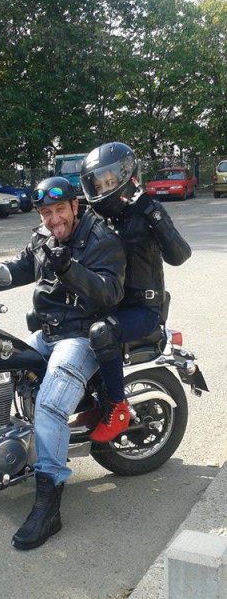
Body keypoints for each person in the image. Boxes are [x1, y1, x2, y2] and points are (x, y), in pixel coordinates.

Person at [0, 176, 126, 550]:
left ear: (75, 206)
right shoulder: (44, 238)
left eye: (60, 209)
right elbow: (15, 268)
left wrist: (70, 269)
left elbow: (111, 293)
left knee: (49, 405)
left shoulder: (102, 239)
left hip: (82, 336)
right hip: (48, 333)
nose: (53, 219)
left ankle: (49, 506)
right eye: (46, 212)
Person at [80, 142, 192, 443]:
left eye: (109, 182)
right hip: (112, 303)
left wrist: (152, 214)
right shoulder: (100, 219)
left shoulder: (146, 211)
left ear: (126, 177)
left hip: (144, 310)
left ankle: (116, 407)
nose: (104, 189)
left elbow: (180, 255)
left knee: (102, 333)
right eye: (97, 185)